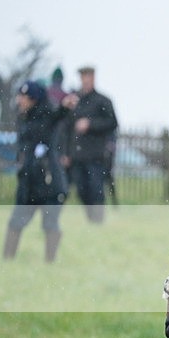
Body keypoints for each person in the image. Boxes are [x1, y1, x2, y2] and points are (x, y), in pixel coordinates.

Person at [3, 80, 70, 262]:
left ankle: (50, 264)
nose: (20, 100)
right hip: (28, 182)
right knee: (16, 221)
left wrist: (65, 106)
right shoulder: (23, 118)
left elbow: (58, 114)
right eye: (19, 96)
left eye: (24, 97)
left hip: (49, 182)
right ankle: (7, 261)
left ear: (34, 99)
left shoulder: (47, 115)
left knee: (50, 225)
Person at [63, 65, 118, 223]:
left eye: (88, 76)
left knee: (96, 189)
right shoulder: (74, 101)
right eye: (83, 77)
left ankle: (98, 221)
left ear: (93, 78)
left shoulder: (103, 101)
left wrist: (90, 124)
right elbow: (67, 129)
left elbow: (112, 123)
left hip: (96, 154)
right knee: (81, 190)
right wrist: (66, 152)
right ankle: (90, 219)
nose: (85, 80)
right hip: (77, 155)